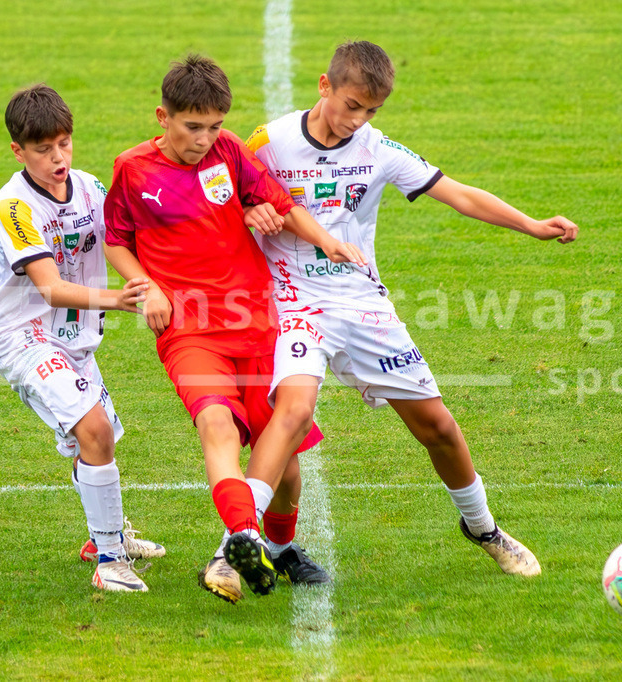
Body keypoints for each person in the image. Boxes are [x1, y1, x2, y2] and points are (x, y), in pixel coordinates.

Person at [240, 40, 578, 578]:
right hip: (291, 303)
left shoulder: (377, 149)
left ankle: (483, 527)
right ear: (325, 87)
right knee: (294, 413)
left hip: (361, 302)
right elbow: (221, 198)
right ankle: (238, 543)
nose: (359, 120)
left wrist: (533, 225)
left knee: (437, 427)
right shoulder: (268, 143)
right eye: (352, 105)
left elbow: (459, 194)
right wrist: (251, 211)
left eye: (371, 111)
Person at [102, 55, 366, 603]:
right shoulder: (132, 169)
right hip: (189, 330)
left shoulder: (230, 154)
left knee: (287, 462)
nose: (204, 139)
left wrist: (315, 235)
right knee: (217, 428)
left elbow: (274, 203)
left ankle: (280, 547)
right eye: (192, 127)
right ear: (163, 117)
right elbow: (116, 239)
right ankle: (240, 536)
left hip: (257, 322)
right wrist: (146, 285)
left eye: (215, 126)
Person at [0, 84, 165, 593]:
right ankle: (109, 562)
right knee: (95, 431)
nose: (58, 158)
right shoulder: (14, 207)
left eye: (64, 143)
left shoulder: (86, 186)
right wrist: (121, 299)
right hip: (24, 337)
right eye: (43, 150)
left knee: (101, 437)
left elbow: (124, 236)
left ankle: (104, 538)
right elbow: (50, 287)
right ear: (18, 151)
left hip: (74, 340)